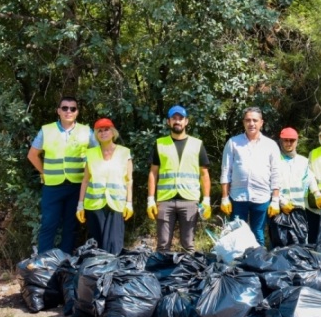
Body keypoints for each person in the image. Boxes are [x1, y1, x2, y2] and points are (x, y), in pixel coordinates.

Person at [27, 96, 97, 254]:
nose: (68, 111)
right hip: (53, 186)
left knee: (71, 225)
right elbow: (32, 155)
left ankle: (65, 260)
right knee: (48, 224)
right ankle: (44, 260)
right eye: (65, 108)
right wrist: (44, 172)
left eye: (73, 108)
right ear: (58, 111)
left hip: (76, 186)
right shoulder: (46, 130)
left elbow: (97, 154)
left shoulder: (86, 131)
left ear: (77, 112)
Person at [146, 105, 212, 252]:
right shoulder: (160, 144)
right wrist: (150, 199)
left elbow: (204, 174)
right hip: (165, 200)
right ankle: (162, 267)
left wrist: (206, 200)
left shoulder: (197, 144)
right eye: (174, 118)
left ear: (186, 121)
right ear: (168, 122)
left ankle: (189, 268)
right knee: (163, 244)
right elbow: (153, 173)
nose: (177, 121)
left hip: (189, 200)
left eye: (180, 118)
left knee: (188, 244)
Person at [220, 107, 281, 246]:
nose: (251, 123)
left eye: (255, 120)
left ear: (261, 123)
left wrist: (275, 200)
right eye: (248, 120)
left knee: (258, 233)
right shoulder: (233, 143)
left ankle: (258, 258)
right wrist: (224, 198)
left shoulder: (270, 145)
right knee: (236, 233)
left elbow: (276, 173)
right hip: (237, 197)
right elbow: (226, 171)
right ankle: (237, 259)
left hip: (262, 197)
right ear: (243, 122)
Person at [76, 119, 133, 255]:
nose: (103, 133)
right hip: (95, 205)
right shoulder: (90, 153)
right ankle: (98, 268)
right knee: (98, 244)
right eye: (99, 131)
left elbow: (129, 180)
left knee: (114, 243)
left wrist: (129, 203)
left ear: (113, 132)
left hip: (116, 205)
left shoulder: (124, 152)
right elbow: (85, 180)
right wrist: (80, 204)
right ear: (96, 135)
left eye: (106, 129)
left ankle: (113, 268)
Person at [268, 126, 310, 247]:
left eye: (292, 140)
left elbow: (307, 183)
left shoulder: (303, 161)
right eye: (286, 140)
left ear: (297, 141)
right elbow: (270, 183)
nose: (289, 143)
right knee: (279, 244)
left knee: (300, 245)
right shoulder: (275, 160)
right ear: (281, 141)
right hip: (279, 209)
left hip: (298, 210)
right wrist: (281, 201)